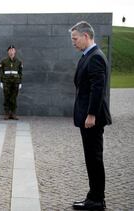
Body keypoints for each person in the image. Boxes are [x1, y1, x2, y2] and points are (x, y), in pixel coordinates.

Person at [69, 21, 112, 210]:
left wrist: (91, 115)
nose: (73, 42)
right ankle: (93, 197)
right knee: (91, 158)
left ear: (86, 36)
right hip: (87, 117)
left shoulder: (95, 57)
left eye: (75, 38)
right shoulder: (87, 55)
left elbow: (98, 88)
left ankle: (96, 200)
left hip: (91, 119)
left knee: (94, 158)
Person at [0, 45, 23, 120]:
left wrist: (20, 82)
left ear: (15, 51)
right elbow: (1, 72)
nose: (11, 51)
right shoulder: (3, 61)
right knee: (6, 97)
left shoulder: (19, 61)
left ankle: (13, 113)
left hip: (15, 82)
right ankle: (7, 113)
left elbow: (20, 73)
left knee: (14, 98)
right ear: (8, 52)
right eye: (10, 50)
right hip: (6, 82)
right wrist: (1, 82)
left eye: (13, 50)